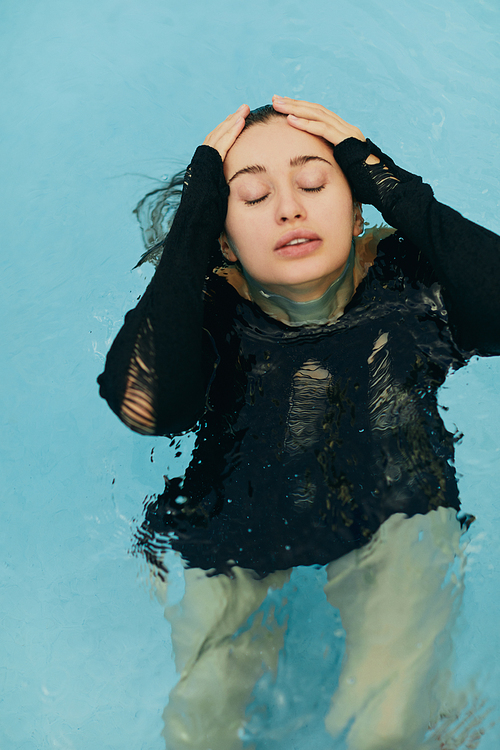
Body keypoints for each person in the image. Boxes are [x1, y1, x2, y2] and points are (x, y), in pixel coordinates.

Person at [98, 97, 500, 750]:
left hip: (397, 510)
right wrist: (194, 230)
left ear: (358, 206)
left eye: (316, 183)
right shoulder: (209, 306)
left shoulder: (411, 274)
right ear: (222, 241)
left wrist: (398, 189)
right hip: (234, 524)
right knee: (194, 725)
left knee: (389, 729)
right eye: (251, 198)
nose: (289, 207)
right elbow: (145, 406)